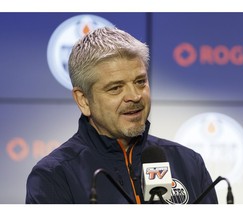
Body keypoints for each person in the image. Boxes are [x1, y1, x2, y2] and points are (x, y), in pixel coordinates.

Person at [25, 27, 218, 204]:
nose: (135, 96)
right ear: (83, 100)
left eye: (140, 82)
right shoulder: (54, 176)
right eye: (116, 88)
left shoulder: (188, 163)